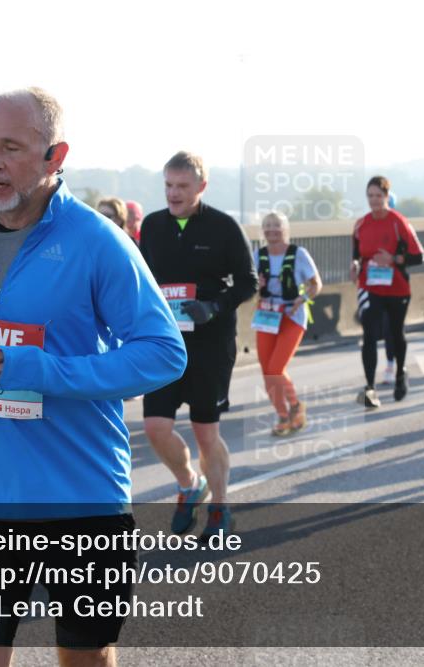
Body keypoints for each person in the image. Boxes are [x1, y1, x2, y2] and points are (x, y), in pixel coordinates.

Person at [0, 88, 186, 667]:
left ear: (54, 156)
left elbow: (163, 352)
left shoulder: (97, 241)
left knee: (84, 660)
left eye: (11, 147)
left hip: (81, 500)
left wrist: (47, 372)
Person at [139, 151, 258, 540]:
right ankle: (190, 483)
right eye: (169, 186)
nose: (173, 194)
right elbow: (140, 280)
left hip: (210, 341)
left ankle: (220, 506)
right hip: (165, 342)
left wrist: (213, 306)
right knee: (155, 427)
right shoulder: (153, 226)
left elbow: (248, 281)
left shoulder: (223, 227)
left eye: (182, 187)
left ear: (201, 187)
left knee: (205, 432)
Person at [350, 176, 424, 407]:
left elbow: (419, 256)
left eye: (378, 196)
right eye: (370, 196)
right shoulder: (361, 224)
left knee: (395, 333)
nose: (374, 201)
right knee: (369, 335)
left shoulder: (398, 222)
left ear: (387, 196)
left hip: (397, 287)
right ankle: (370, 388)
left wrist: (393, 259)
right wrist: (355, 265)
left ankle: (400, 374)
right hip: (369, 286)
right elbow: (356, 253)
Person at [252, 212, 322, 436]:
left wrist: (303, 299)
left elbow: (315, 284)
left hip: (292, 315)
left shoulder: (299, 254)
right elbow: (249, 285)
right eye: (267, 226)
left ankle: (295, 405)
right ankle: (283, 415)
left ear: (286, 229)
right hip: (267, 316)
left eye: (277, 226)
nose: (272, 230)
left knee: (275, 368)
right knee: (266, 371)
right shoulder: (258, 254)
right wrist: (257, 285)